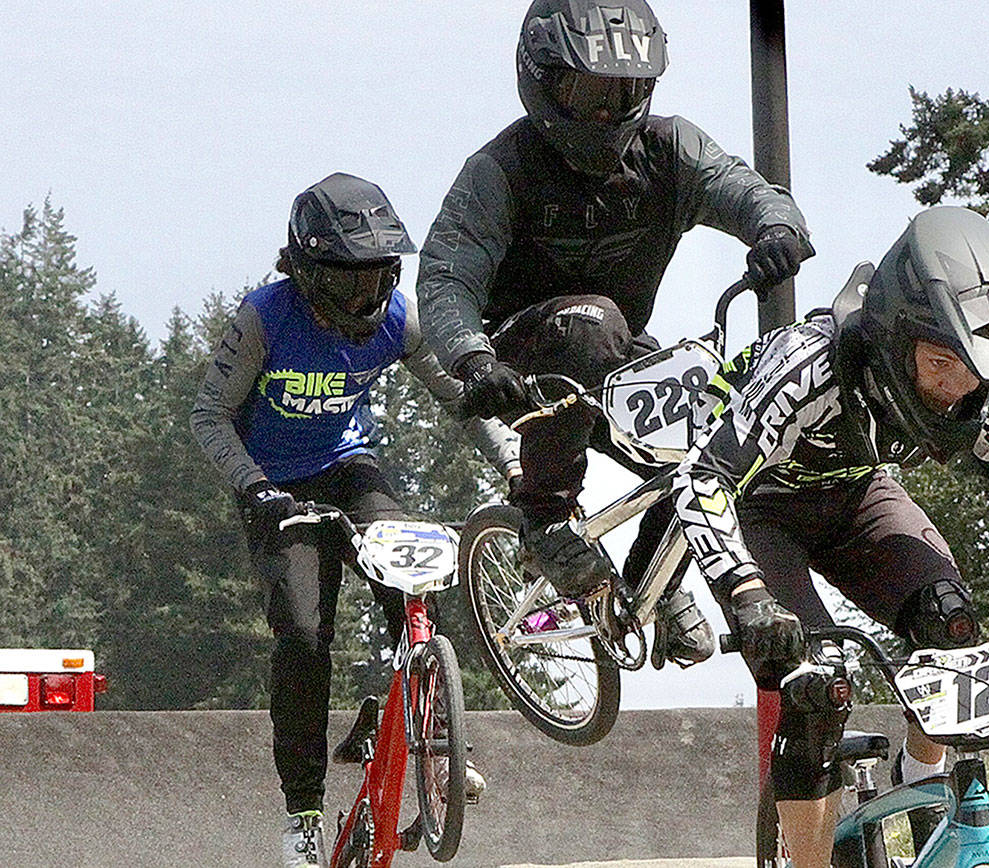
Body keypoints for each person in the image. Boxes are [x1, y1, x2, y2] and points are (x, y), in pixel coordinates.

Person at [670, 206, 989, 867]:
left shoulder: (976, 395)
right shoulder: (808, 369)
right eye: (940, 364)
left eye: (969, 371)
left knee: (951, 625)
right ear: (892, 336)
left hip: (857, 499)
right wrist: (746, 596)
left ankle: (919, 781)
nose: (954, 390)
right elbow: (702, 478)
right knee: (817, 685)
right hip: (762, 509)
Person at [416, 0, 815, 669]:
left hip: (615, 352)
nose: (608, 111)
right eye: (591, 91)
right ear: (542, 79)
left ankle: (650, 589)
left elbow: (748, 190)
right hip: (519, 360)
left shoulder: (671, 149)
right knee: (595, 323)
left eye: (626, 92)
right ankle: (543, 515)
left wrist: (776, 230)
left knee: (721, 436)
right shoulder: (501, 169)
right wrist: (472, 358)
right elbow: (446, 278)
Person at [190, 173, 518, 868]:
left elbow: (465, 399)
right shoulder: (264, 318)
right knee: (306, 638)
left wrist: (514, 465)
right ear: (309, 274)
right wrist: (252, 487)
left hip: (348, 469)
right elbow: (209, 415)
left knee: (411, 580)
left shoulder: (399, 319)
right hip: (275, 487)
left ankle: (434, 741)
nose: (368, 299)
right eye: (351, 283)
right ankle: (303, 812)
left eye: (380, 279)